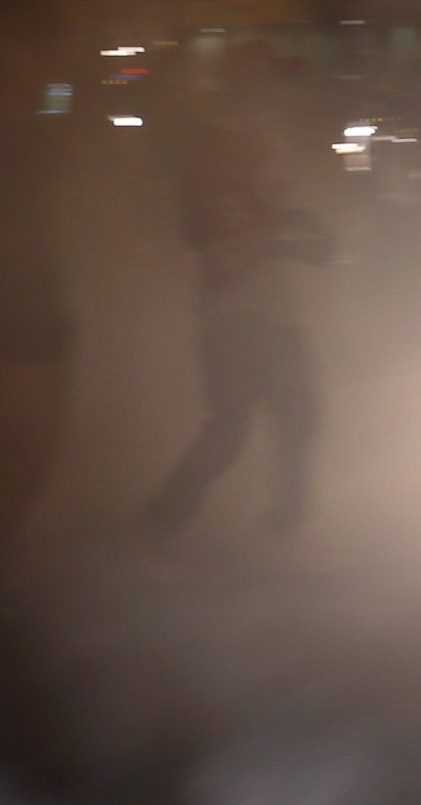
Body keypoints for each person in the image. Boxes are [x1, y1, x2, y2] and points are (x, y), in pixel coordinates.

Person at [140, 49, 330, 550]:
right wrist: (292, 239)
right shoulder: (212, 148)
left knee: (298, 418)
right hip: (234, 311)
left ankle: (286, 524)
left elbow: (278, 212)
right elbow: (216, 231)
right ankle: (162, 521)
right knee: (232, 430)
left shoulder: (258, 140)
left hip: (269, 307)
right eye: (254, 83)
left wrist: (303, 229)